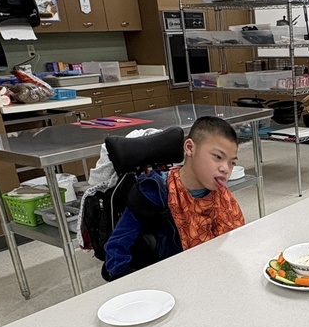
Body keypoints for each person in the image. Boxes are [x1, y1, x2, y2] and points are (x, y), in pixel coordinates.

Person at [104, 116, 245, 280]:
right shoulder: (154, 193)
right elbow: (116, 249)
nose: (225, 169)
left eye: (232, 163)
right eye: (217, 157)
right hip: (167, 280)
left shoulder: (222, 197)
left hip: (214, 275)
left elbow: (236, 242)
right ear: (190, 148)